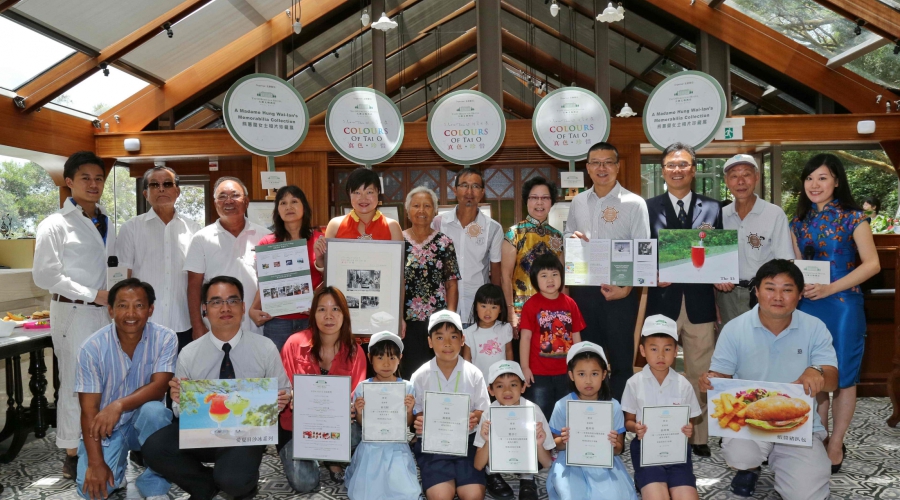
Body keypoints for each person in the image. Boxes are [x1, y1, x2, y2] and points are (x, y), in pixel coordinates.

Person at [141, 276, 292, 500]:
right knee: (154, 448)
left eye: (232, 301)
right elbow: (179, 412)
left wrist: (280, 400)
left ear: (242, 307)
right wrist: (179, 401)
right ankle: (204, 485)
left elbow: (284, 390)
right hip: (200, 431)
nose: (225, 308)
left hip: (245, 435)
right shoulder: (189, 353)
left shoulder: (264, 348)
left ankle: (239, 483)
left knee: (234, 481)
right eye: (216, 302)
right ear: (205, 309)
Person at [700, 259, 839, 498]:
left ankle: (782, 461)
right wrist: (712, 380)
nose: (778, 296)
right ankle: (750, 468)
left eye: (787, 289)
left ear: (799, 295)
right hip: (749, 423)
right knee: (740, 455)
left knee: (808, 494)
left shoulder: (815, 327)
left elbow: (833, 379)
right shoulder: (734, 329)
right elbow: (721, 375)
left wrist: (816, 371)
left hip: (799, 427)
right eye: (770, 288)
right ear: (756, 291)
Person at [789, 153, 880, 473]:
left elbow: (872, 264)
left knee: (842, 377)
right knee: (812, 374)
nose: (815, 184)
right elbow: (798, 267)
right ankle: (818, 436)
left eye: (823, 177)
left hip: (843, 306)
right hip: (806, 306)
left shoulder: (855, 218)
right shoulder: (797, 222)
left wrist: (830, 288)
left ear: (837, 181)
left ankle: (836, 444)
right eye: (810, 178)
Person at [33, 151, 117, 477]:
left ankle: (101, 445)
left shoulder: (108, 221)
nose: (93, 184)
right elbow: (45, 275)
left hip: (106, 315)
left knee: (105, 382)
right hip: (74, 312)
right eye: (86, 178)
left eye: (98, 178)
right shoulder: (55, 225)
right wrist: (93, 294)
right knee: (74, 383)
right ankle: (71, 452)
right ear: (69, 182)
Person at [645, 142, 723, 457]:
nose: (677, 170)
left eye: (683, 165)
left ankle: (699, 436)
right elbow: (641, 253)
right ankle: (657, 430)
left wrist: (721, 274)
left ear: (693, 169)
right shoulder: (647, 208)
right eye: (671, 165)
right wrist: (652, 273)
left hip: (700, 301)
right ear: (662, 170)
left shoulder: (714, 208)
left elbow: (718, 254)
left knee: (700, 370)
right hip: (661, 300)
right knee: (657, 369)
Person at [75, 278, 177, 500]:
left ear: (150, 309)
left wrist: (118, 405)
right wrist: (96, 463)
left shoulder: (165, 338)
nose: (131, 313)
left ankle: (154, 485)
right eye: (122, 305)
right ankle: (117, 469)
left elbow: (160, 388)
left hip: (143, 423)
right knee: (91, 491)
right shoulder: (91, 348)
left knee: (156, 412)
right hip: (106, 428)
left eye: (139, 305)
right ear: (110, 310)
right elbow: (89, 409)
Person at [564, 142, 650, 401]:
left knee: (622, 361)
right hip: (584, 293)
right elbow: (569, 237)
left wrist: (625, 287)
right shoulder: (578, 201)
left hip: (620, 294)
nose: (602, 168)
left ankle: (619, 429)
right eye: (596, 163)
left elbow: (642, 247)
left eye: (608, 162)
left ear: (617, 166)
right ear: (588, 168)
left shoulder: (635, 203)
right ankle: (591, 421)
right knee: (587, 361)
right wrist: (573, 238)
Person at [278, 286, 366, 492]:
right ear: (313, 314)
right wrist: (289, 396)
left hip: (337, 426)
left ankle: (329, 454)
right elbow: (282, 387)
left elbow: (355, 396)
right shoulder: (294, 344)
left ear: (344, 314)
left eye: (335, 309)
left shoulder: (355, 351)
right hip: (297, 427)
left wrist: (352, 408)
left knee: (363, 433)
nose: (329, 316)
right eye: (321, 309)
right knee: (304, 483)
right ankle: (324, 455)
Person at [118, 165, 200, 352]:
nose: (161, 188)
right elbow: (123, 280)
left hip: (184, 324)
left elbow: (198, 281)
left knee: (181, 381)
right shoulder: (131, 229)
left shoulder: (194, 230)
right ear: (146, 193)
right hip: (143, 325)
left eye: (167, 184)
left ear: (177, 191)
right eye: (154, 185)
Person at [411, 309, 490, 500]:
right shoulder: (420, 376)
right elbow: (416, 413)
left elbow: (483, 410)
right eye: (439, 337)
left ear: (463, 340)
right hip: (433, 447)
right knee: (440, 496)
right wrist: (418, 421)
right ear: (430, 341)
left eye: (453, 336)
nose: (447, 343)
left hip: (468, 443)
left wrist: (475, 417)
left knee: (473, 496)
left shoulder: (473, 373)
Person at [621, 314, 701, 500]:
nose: (661, 355)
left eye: (667, 349)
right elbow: (628, 422)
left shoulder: (683, 384)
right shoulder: (634, 383)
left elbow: (689, 420)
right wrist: (636, 428)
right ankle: (643, 479)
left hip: (677, 453)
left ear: (675, 352)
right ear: (642, 350)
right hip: (646, 451)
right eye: (654, 348)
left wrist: (688, 428)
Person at [546, 342, 638, 500]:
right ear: (571, 375)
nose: (588, 381)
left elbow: (618, 449)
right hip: (570, 463)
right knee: (572, 494)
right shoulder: (562, 406)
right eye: (581, 374)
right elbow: (554, 445)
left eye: (594, 374)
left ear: (604, 375)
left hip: (604, 463)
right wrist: (565, 440)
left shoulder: (613, 406)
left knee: (614, 494)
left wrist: (614, 443)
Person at [184, 177, 271, 338]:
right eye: (222, 196)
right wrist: (197, 326)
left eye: (235, 195)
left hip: (257, 328)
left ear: (246, 201)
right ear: (215, 203)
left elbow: (272, 280)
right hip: (214, 330)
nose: (229, 201)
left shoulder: (265, 237)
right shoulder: (201, 239)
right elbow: (193, 287)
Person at [716, 155, 793, 326]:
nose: (740, 181)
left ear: (757, 177)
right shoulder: (719, 216)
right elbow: (711, 260)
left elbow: (785, 262)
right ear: (726, 181)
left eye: (746, 174)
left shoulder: (774, 214)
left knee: (764, 347)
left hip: (763, 295)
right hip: (726, 296)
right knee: (730, 347)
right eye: (734, 176)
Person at [345, 331, 419, 500]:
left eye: (392, 358)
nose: (386, 363)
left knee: (404, 491)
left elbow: (407, 424)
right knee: (366, 492)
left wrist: (409, 411)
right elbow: (361, 423)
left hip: (396, 446)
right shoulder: (363, 388)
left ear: (400, 358)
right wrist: (360, 411)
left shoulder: (406, 388)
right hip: (371, 446)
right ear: (370, 357)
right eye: (380, 357)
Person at [248, 185, 323, 351]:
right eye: (283, 203)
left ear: (304, 207)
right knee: (277, 371)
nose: (289, 207)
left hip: (311, 319)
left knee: (308, 369)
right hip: (278, 320)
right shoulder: (267, 243)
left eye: (294, 201)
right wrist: (254, 308)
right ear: (277, 210)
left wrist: (317, 303)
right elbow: (266, 282)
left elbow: (329, 279)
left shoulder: (319, 239)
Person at [519, 253, 585, 426]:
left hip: (566, 372)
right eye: (544, 275)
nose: (550, 279)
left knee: (566, 414)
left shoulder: (571, 303)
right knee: (541, 414)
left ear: (562, 277)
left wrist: (578, 366)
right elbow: (525, 338)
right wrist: (524, 367)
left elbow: (576, 335)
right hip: (539, 374)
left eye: (555, 274)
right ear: (535, 280)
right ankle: (543, 449)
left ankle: (563, 448)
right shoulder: (531, 305)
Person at [473, 360, 555, 500]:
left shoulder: (533, 411)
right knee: (489, 447)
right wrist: (488, 441)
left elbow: (547, 463)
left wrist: (539, 444)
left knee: (532, 444)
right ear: (490, 390)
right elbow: (478, 464)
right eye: (500, 386)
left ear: (523, 387)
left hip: (524, 459)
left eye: (513, 384)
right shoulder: (489, 413)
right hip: (496, 459)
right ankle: (493, 475)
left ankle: (527, 478)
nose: (507, 391)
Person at [401, 186, 460, 376]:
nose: (421, 210)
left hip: (436, 322)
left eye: (427, 206)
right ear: (407, 210)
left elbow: (451, 283)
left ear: (435, 211)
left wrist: (449, 319)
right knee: (410, 371)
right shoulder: (397, 241)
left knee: (437, 373)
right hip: (405, 322)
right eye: (416, 205)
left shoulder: (444, 242)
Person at [433, 168, 504, 327]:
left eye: (476, 186)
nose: (469, 191)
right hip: (445, 308)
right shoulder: (438, 223)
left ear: (482, 192)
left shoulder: (493, 228)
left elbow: (496, 272)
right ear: (455, 190)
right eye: (464, 185)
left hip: (479, 310)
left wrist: (497, 310)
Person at [501, 176, 564, 331]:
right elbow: (505, 276)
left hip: (552, 310)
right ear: (526, 201)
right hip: (520, 310)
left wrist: (563, 310)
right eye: (534, 198)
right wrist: (510, 312)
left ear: (552, 202)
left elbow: (563, 279)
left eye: (545, 198)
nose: (539, 203)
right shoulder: (514, 233)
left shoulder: (557, 236)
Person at [463, 284, 514, 382]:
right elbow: (467, 361)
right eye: (483, 306)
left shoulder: (505, 328)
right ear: (476, 306)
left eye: (494, 307)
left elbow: (509, 352)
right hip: (478, 383)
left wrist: (509, 374)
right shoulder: (469, 333)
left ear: (500, 309)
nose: (488, 312)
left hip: (500, 383)